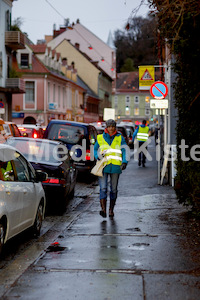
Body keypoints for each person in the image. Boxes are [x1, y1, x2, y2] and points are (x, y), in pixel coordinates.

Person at [94, 119, 128, 218]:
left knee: (113, 189)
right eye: (109, 126)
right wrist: (97, 156)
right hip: (103, 166)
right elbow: (95, 149)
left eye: (112, 126)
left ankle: (111, 210)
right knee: (103, 188)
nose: (111, 128)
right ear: (106, 127)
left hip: (116, 167)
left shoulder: (120, 138)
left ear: (115, 127)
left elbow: (125, 150)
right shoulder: (100, 138)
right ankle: (103, 210)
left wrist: (124, 161)